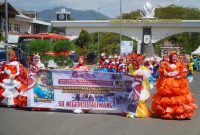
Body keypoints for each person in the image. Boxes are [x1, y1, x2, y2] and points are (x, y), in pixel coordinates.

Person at [151, 51, 197, 119]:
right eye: (173, 57)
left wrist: (180, 76)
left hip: (178, 82)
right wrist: (164, 72)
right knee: (168, 99)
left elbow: (184, 72)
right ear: (170, 57)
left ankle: (179, 113)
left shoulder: (180, 64)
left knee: (179, 99)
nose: (174, 58)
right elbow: (161, 72)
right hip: (168, 81)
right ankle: (168, 113)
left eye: (175, 57)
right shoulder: (166, 64)